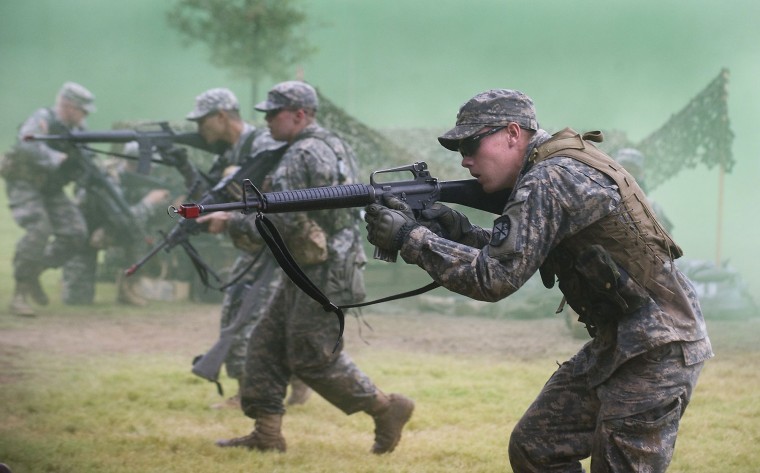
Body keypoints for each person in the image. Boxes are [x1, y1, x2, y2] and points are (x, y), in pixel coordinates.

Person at [364, 89, 713, 471]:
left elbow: (495, 278)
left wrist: (410, 239)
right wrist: (457, 232)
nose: (464, 159)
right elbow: (517, 252)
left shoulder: (549, 178)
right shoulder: (554, 168)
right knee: (537, 446)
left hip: (656, 347)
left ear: (513, 133)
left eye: (471, 144)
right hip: (625, 339)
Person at [205, 80, 413, 454]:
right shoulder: (332, 144)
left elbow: (283, 220)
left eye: (274, 113)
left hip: (323, 270)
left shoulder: (301, 154)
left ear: (299, 115)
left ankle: (387, 407)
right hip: (312, 265)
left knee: (312, 358)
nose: (266, 120)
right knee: (265, 342)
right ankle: (267, 434)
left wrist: (231, 221)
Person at [184, 87, 310, 408]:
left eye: (203, 121)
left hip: (272, 246)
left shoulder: (264, 145)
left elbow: (273, 196)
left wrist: (231, 215)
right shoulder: (233, 152)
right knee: (258, 316)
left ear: (221, 116)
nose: (200, 129)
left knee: (246, 317)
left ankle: (248, 394)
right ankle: (296, 381)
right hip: (258, 245)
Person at [0, 82, 95, 316]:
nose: (84, 115)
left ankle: (34, 272)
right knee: (38, 229)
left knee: (75, 232)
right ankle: (20, 295)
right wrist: (57, 158)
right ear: (67, 105)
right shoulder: (43, 119)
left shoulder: (78, 129)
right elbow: (27, 145)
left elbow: (87, 158)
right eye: (81, 109)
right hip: (25, 183)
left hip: (51, 189)